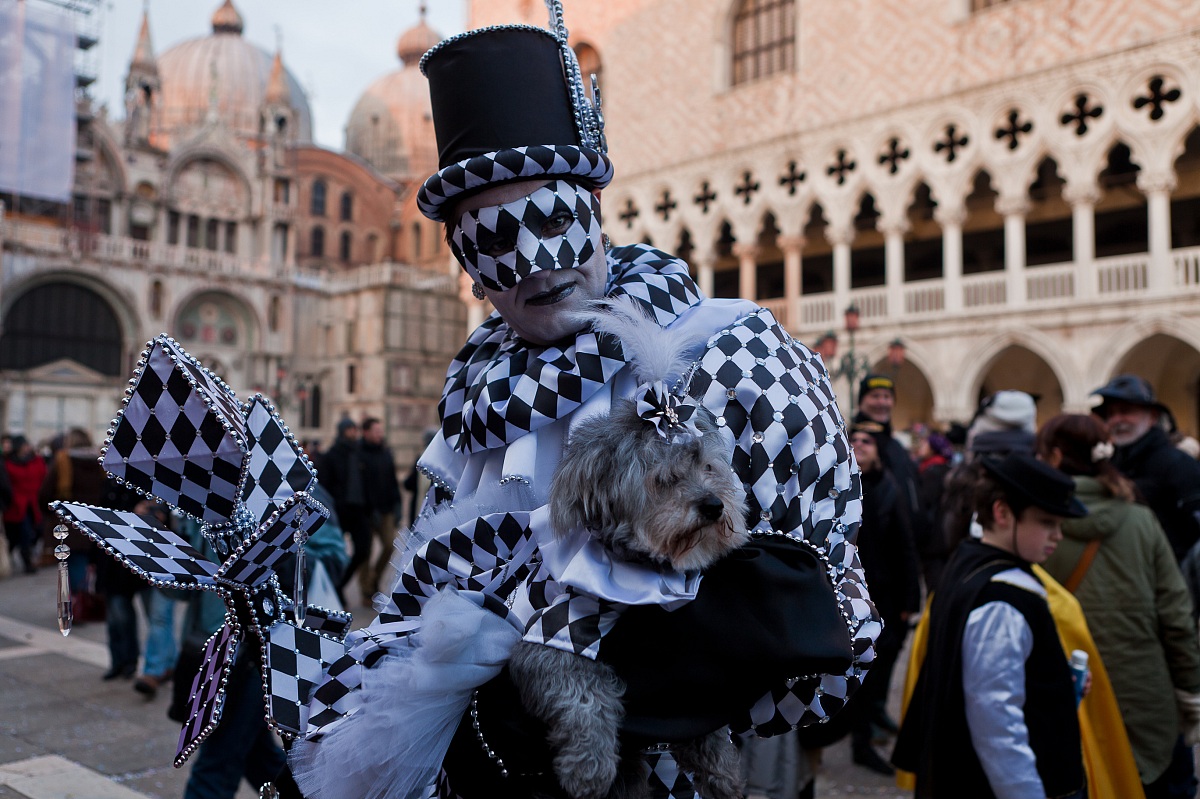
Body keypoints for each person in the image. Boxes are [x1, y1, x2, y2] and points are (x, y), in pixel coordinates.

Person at [286, 13, 877, 799]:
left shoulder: (736, 352)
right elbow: (417, 602)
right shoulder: (472, 418)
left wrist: (612, 688)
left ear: (594, 211)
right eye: (494, 240)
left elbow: (831, 619)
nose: (533, 266)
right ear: (469, 268)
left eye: (550, 219)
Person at [892, 452, 1089, 799]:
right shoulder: (1004, 599)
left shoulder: (969, 558)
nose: (1058, 536)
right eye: (1046, 523)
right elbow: (996, 719)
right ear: (1001, 513)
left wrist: (1056, 681)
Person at [1037, 414, 1200, 799]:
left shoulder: (1035, 527)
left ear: (1055, 457)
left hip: (1069, 702)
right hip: (1145, 702)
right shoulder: (1142, 520)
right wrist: (1191, 693)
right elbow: (1177, 616)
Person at [1091, 374, 1200, 563]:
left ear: (1152, 417)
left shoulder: (1178, 464)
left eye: (1126, 411)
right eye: (1110, 414)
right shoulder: (1111, 465)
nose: (1117, 420)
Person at [320, 417, 366, 603]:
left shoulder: (359, 454)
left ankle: (340, 584)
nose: (353, 433)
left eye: (355, 429)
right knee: (337, 552)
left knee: (363, 551)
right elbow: (324, 485)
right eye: (350, 429)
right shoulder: (331, 456)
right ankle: (335, 588)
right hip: (339, 511)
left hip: (359, 511)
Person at [358, 417, 401, 602]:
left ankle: (374, 577)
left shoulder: (385, 452)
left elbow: (392, 480)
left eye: (380, 431)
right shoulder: (358, 453)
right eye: (376, 431)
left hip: (386, 508)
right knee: (365, 552)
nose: (380, 434)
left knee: (389, 545)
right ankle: (366, 590)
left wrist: (397, 504)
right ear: (366, 432)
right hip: (367, 511)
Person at [4, 435, 46, 574]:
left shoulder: (35, 461)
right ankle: (25, 560)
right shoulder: (8, 463)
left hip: (33, 502)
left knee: (34, 531)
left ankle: (24, 557)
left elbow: (42, 476)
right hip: (16, 504)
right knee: (19, 533)